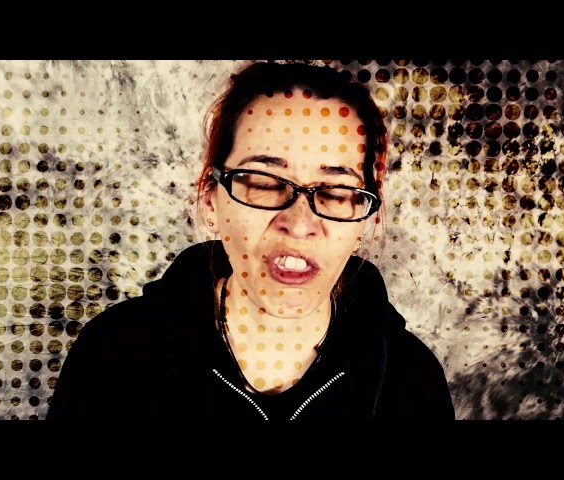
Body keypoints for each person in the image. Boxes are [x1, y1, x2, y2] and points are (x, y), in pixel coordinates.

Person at [45, 60, 455, 419]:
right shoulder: (114, 355)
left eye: (334, 191)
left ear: (363, 220)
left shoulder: (412, 381)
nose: (299, 223)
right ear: (210, 200)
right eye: (263, 182)